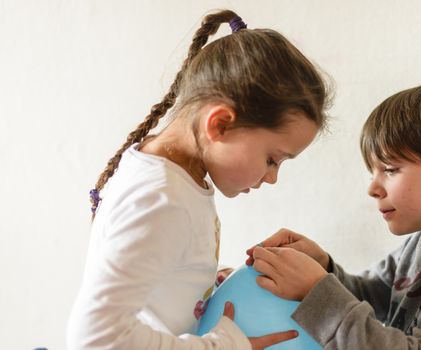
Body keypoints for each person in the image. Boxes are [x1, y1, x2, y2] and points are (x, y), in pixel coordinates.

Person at [67, 9, 330, 350]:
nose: (272, 177)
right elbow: (93, 337)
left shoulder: (176, 180)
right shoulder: (160, 200)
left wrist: (202, 285)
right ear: (219, 124)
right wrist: (224, 345)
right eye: (272, 159)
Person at [248, 83, 421, 349]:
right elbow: (373, 295)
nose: (373, 189)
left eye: (390, 170)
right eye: (373, 172)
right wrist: (324, 268)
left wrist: (317, 292)